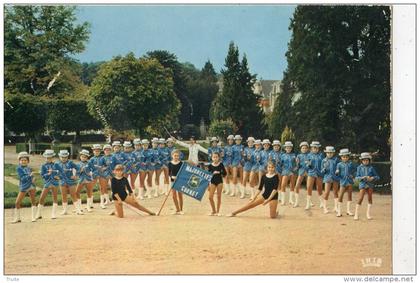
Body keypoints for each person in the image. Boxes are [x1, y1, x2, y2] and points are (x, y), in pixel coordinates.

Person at [12, 152, 37, 223]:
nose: (23, 161)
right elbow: (22, 178)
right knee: (17, 202)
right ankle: (18, 218)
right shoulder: (18, 169)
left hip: (31, 186)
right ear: (19, 161)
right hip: (24, 186)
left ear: (28, 161)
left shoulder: (29, 168)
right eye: (22, 160)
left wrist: (34, 178)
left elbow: (32, 177)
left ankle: (33, 217)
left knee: (33, 201)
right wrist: (29, 176)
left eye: (25, 160)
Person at [354, 152, 380, 220]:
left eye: (367, 160)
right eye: (364, 160)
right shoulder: (359, 168)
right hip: (362, 184)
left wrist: (372, 178)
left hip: (370, 184)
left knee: (370, 198)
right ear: (361, 160)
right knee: (360, 198)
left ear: (369, 160)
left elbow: (377, 177)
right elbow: (356, 178)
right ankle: (356, 214)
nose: (365, 161)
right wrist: (362, 178)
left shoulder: (371, 168)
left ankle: (368, 214)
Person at [36, 149, 60, 220]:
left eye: (50, 158)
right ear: (45, 157)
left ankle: (53, 214)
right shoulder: (43, 166)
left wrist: (58, 177)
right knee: (41, 198)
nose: (48, 159)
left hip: (55, 183)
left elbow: (60, 173)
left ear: (53, 157)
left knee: (55, 198)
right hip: (47, 183)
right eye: (47, 158)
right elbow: (42, 175)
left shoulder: (56, 165)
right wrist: (48, 174)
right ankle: (38, 213)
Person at [55, 149, 81, 215]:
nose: (64, 158)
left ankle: (78, 210)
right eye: (62, 157)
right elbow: (54, 172)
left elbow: (78, 168)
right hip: (62, 181)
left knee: (73, 195)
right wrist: (56, 176)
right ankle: (65, 210)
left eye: (65, 157)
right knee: (64, 195)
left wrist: (76, 176)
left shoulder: (71, 163)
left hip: (71, 181)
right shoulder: (57, 163)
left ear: (67, 157)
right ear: (59, 157)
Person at [335, 148, 355, 217]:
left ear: (348, 157)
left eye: (346, 157)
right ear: (341, 157)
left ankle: (348, 210)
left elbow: (354, 171)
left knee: (349, 196)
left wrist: (353, 175)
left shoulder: (351, 164)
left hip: (349, 181)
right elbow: (337, 173)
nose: (345, 158)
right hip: (343, 182)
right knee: (340, 196)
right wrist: (337, 172)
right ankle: (339, 211)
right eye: (343, 157)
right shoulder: (339, 164)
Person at [321, 146, 340, 214]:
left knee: (335, 192)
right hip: (327, 177)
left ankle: (336, 207)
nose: (329, 154)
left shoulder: (336, 160)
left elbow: (339, 168)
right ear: (326, 153)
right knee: (327, 192)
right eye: (328, 153)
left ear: (333, 153)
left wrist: (338, 171)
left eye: (331, 153)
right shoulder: (324, 160)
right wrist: (324, 170)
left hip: (335, 177)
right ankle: (325, 207)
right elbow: (322, 171)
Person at [305, 141, 324, 210]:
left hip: (319, 173)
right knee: (309, 187)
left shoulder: (321, 155)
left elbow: (324, 164)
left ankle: (322, 202)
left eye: (317, 148)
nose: (315, 149)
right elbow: (306, 164)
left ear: (318, 148)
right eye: (314, 148)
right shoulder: (309, 155)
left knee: (319, 188)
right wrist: (308, 165)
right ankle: (308, 203)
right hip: (311, 172)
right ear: (311, 148)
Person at [207, 152, 227, 216]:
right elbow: (207, 175)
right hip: (212, 182)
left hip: (219, 181)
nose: (215, 158)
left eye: (216, 157)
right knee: (210, 197)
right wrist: (208, 185)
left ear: (218, 158)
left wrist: (220, 172)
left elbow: (225, 173)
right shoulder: (210, 166)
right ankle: (213, 211)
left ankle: (218, 211)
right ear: (212, 158)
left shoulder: (221, 164)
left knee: (218, 196)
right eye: (214, 157)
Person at [279, 141, 297, 206]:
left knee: (292, 185)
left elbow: (297, 164)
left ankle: (291, 200)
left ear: (291, 148)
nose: (288, 149)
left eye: (289, 148)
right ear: (285, 148)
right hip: (285, 171)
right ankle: (283, 201)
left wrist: (296, 168)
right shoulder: (282, 155)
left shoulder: (294, 155)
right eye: (287, 148)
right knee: (283, 185)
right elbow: (280, 164)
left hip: (293, 172)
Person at [168, 149, 184, 215]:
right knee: (174, 196)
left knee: (180, 195)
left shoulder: (181, 163)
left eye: (177, 156)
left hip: (180, 181)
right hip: (173, 181)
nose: (176, 157)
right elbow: (169, 173)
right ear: (172, 156)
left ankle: (181, 209)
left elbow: (183, 173)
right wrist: (172, 177)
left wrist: (179, 177)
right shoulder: (170, 163)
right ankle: (177, 209)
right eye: (175, 155)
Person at [293, 142, 310, 207]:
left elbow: (311, 164)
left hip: (308, 172)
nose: (304, 149)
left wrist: (309, 163)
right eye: (303, 148)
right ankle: (296, 202)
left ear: (307, 149)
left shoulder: (309, 155)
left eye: (305, 148)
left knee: (308, 187)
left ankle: (309, 202)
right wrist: (297, 164)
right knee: (297, 186)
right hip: (301, 171)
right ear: (301, 149)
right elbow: (298, 166)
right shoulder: (299, 156)